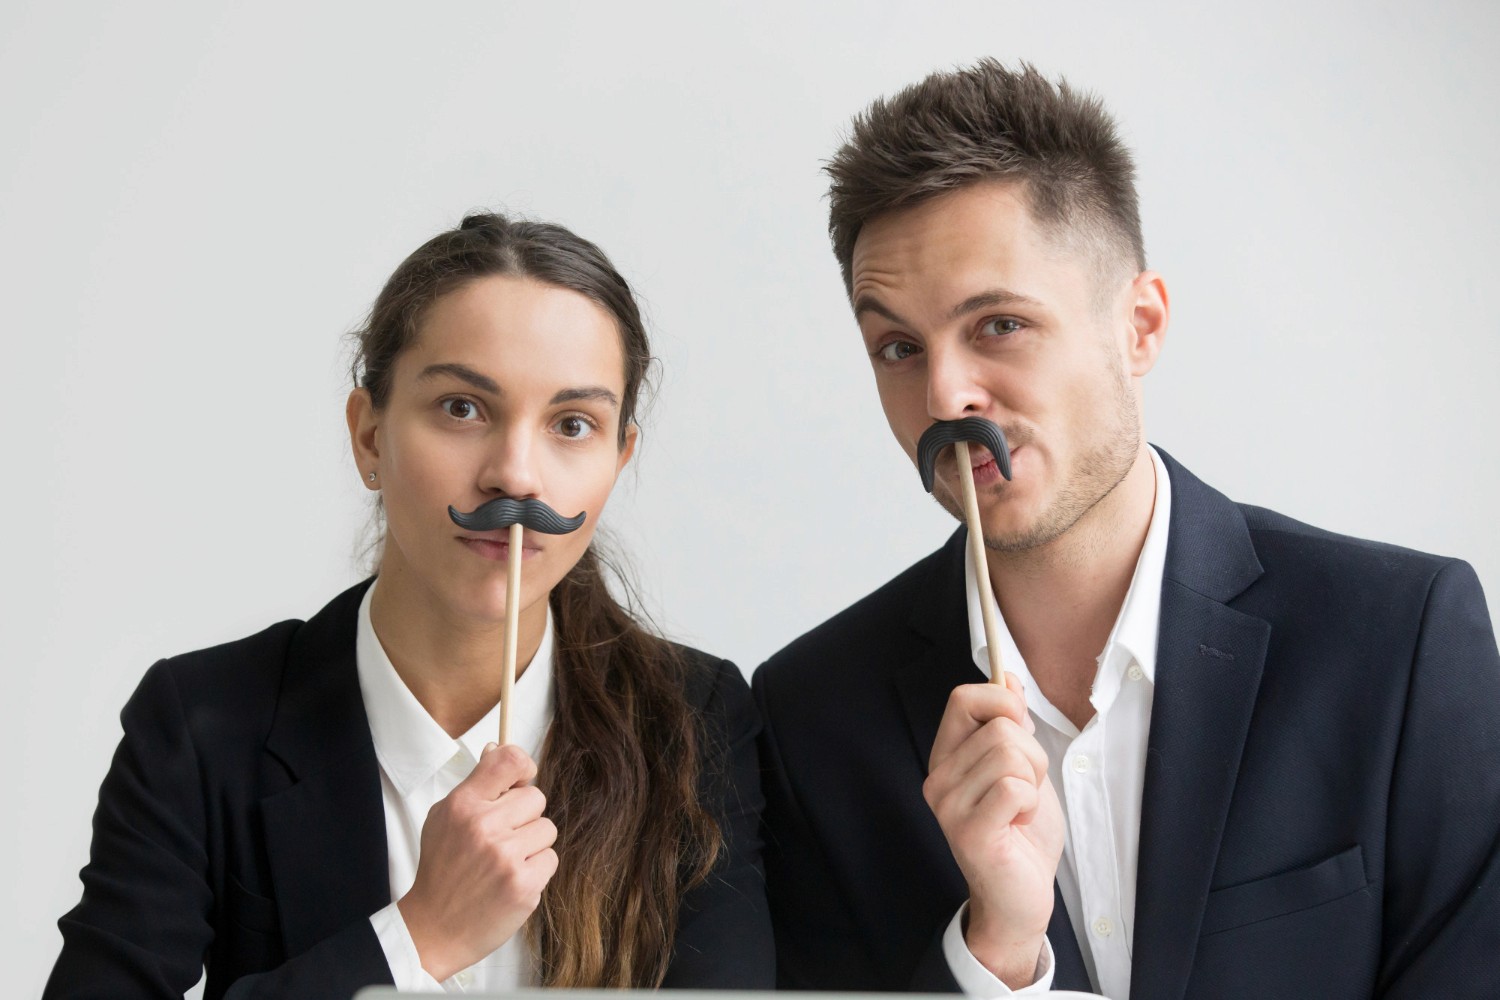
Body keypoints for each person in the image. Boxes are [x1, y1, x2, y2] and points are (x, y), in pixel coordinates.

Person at [753, 59, 1500, 1000]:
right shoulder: (812, 716)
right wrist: (997, 955)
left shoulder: (1400, 641)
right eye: (899, 347)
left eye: (1000, 326)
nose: (945, 396)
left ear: (1139, 327)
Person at [46, 213, 774, 999]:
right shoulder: (200, 722)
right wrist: (418, 937)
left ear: (618, 460)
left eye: (572, 425)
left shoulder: (695, 720)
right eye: (463, 408)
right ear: (368, 436)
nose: (516, 478)